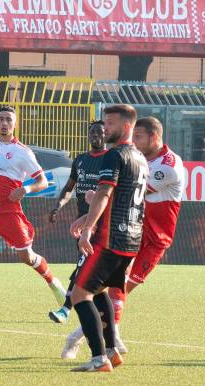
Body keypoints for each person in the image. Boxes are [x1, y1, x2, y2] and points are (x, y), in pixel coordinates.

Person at [61, 117, 184, 359]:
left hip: (155, 241)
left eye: (139, 137)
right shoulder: (139, 160)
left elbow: (123, 193)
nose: (134, 142)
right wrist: (88, 219)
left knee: (114, 290)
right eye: (133, 136)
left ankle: (86, 338)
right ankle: (105, 342)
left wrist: (92, 204)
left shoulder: (167, 165)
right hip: (132, 233)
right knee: (109, 290)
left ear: (154, 138)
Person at [0, 106, 65, 314]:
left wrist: (25, 189)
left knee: (26, 256)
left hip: (9, 211)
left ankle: (54, 284)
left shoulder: (22, 151)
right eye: (1, 119)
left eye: (9, 119)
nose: (4, 123)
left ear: (15, 124)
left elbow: (42, 181)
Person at [67, 104, 148, 372]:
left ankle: (98, 358)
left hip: (110, 239)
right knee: (99, 291)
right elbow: (118, 197)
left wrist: (88, 228)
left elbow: (103, 193)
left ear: (126, 126)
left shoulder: (114, 155)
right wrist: (86, 217)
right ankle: (112, 351)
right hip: (131, 240)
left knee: (79, 294)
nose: (105, 128)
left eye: (110, 123)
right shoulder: (140, 158)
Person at [47, 121, 106, 324]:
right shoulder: (81, 160)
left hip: (102, 225)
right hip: (82, 226)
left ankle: (65, 309)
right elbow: (69, 187)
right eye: (92, 132)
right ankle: (104, 321)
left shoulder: (110, 160)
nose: (95, 136)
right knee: (88, 271)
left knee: (83, 268)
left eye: (100, 132)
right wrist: (58, 206)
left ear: (107, 136)